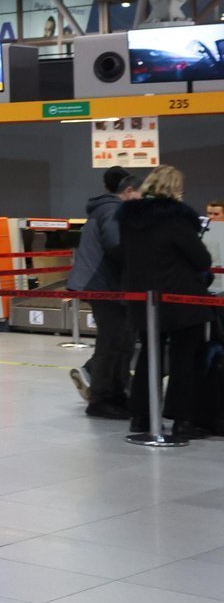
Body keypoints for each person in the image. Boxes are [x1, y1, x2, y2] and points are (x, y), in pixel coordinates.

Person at [117, 165, 219, 439]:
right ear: (175, 188)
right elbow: (201, 259)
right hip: (181, 299)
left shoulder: (129, 219)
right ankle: (182, 420)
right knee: (185, 358)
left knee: (148, 356)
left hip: (144, 299)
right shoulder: (176, 219)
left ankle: (141, 417)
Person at [67, 166, 139, 418]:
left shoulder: (105, 208)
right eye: (139, 194)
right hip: (103, 286)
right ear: (128, 190)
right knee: (113, 341)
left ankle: (115, 393)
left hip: (105, 285)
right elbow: (115, 244)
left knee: (122, 340)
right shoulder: (112, 210)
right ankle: (102, 398)